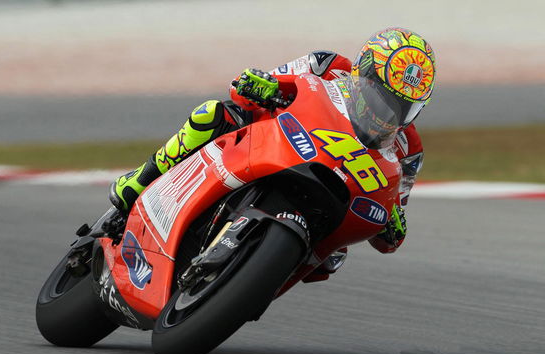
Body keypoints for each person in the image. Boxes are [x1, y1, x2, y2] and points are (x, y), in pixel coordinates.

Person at [108, 27, 435, 269]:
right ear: (361, 72)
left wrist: (394, 224)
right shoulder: (326, 65)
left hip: (335, 195)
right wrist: (259, 84)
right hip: (280, 142)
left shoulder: (409, 147)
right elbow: (256, 84)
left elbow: (394, 213)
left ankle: (253, 277)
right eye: (382, 96)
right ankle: (142, 178)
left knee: (333, 259)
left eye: (402, 108)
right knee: (215, 114)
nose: (389, 112)